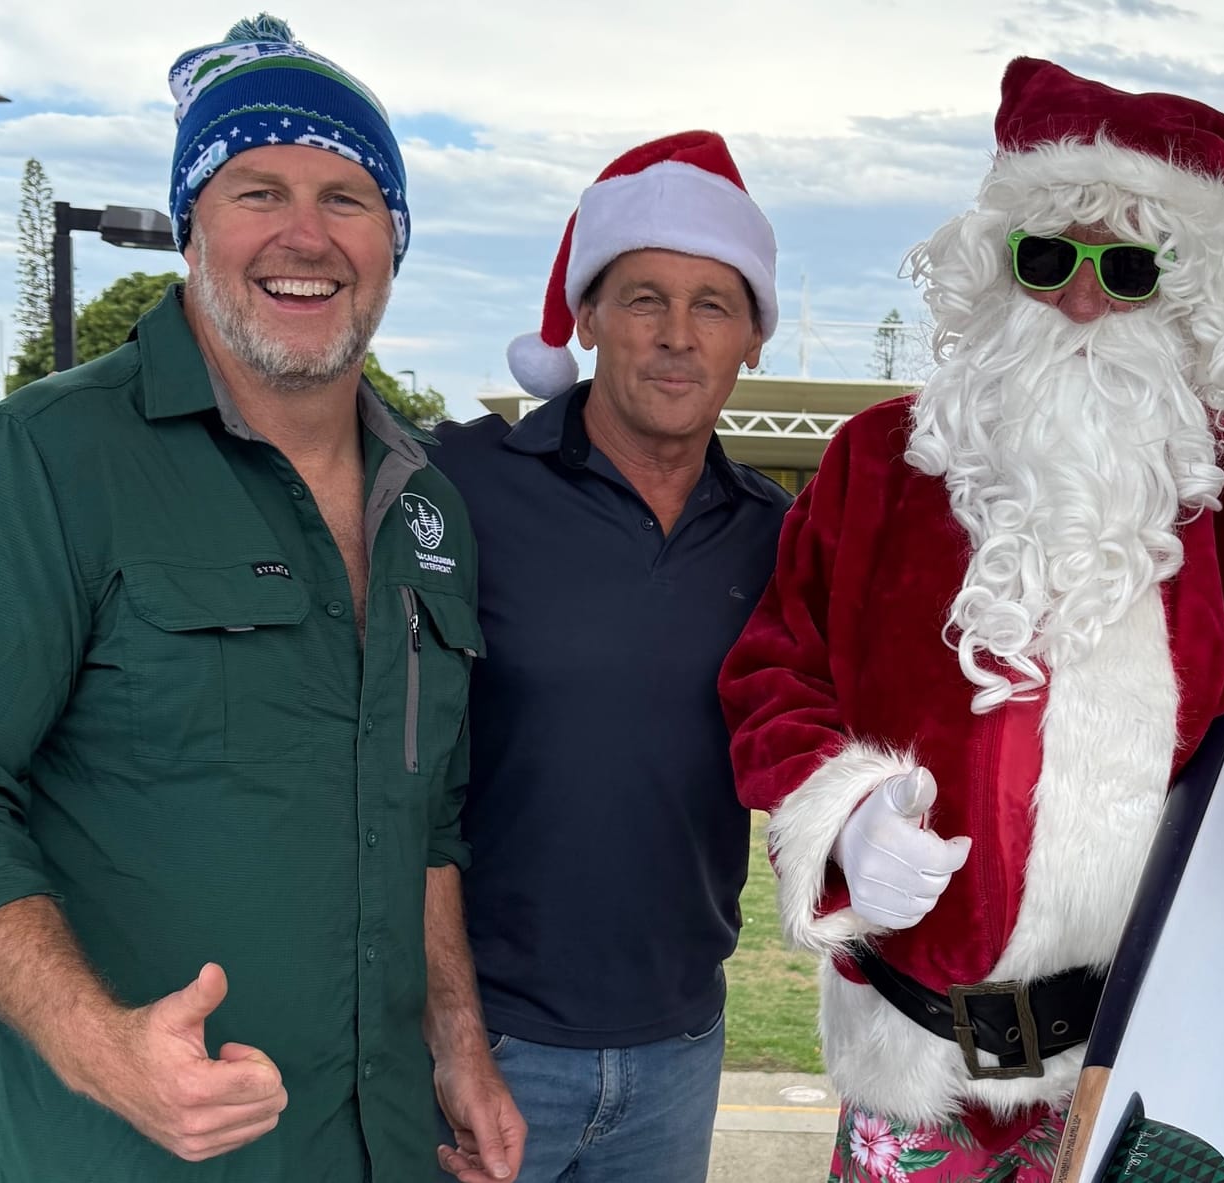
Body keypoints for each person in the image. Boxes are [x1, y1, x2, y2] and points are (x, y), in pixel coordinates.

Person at [718, 57, 1224, 1179]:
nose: (1082, 299)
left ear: (1181, 289)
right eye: (1045, 259)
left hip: (1151, 1084)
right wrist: (842, 815)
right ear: (996, 269)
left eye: (1129, 266)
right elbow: (772, 675)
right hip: (911, 1071)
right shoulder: (874, 467)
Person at [0, 16, 524, 1182]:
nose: (305, 235)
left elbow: (423, 818)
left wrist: (454, 1041)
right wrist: (101, 1046)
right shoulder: (44, 460)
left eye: (347, 199)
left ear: (395, 240)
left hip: (378, 1142)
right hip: (121, 1149)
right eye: (258, 190)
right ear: (191, 223)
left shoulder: (429, 508)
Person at [429, 130, 791, 1182]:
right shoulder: (459, 481)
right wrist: (453, 1036)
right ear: (585, 318)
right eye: (643, 299)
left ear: (752, 339)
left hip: (680, 1049)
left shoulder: (774, 535)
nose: (676, 335)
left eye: (712, 304)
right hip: (485, 1048)